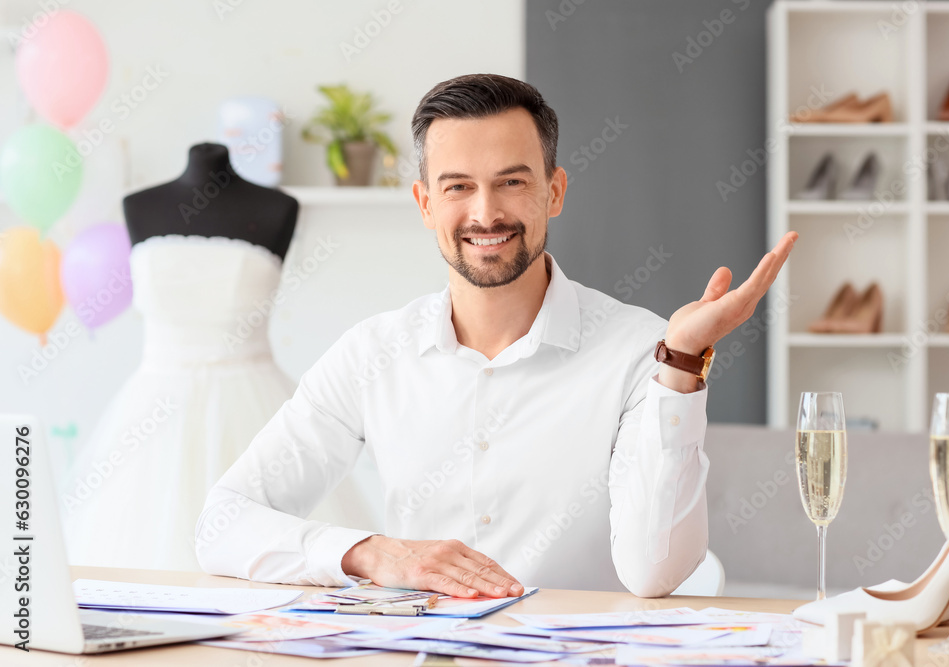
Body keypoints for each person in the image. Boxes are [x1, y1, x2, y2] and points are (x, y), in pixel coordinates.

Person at [195, 73, 796, 598]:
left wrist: (682, 364)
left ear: (554, 191)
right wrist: (374, 553)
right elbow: (221, 524)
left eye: (511, 182)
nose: (486, 214)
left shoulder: (643, 352)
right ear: (425, 203)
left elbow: (654, 572)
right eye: (458, 186)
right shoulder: (371, 355)